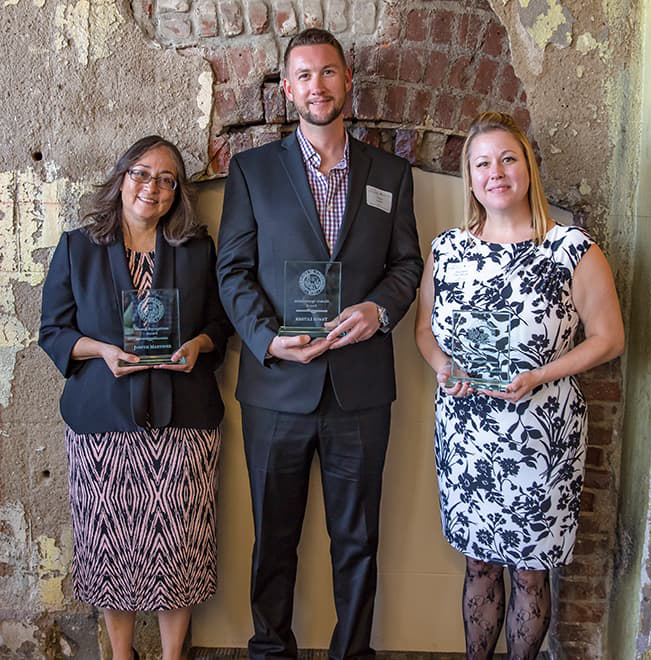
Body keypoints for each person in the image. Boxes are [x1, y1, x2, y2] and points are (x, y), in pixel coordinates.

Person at [216, 28, 423, 660]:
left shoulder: (390, 173)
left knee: (357, 538)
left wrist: (379, 309)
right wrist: (268, 340)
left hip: (359, 387)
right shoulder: (252, 170)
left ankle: (351, 652)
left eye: (328, 72)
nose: (317, 85)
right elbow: (233, 270)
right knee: (273, 536)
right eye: (303, 76)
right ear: (288, 89)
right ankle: (269, 647)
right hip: (277, 385)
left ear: (347, 79)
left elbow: (407, 265)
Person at [415, 111, 624, 659]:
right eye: (482, 162)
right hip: (467, 436)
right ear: (470, 175)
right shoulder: (447, 251)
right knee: (479, 565)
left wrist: (540, 374)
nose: (496, 172)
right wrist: (442, 366)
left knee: (531, 575)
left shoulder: (571, 249)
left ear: (528, 167)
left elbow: (609, 337)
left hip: (542, 435)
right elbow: (423, 331)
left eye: (508, 158)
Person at [39, 135, 232, 660]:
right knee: (110, 548)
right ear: (122, 177)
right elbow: (53, 330)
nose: (153, 187)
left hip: (183, 425)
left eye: (167, 179)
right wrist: (100, 350)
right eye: (142, 174)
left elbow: (219, 322)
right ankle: (119, 654)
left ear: (178, 192)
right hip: (103, 427)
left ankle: (174, 656)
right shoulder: (78, 246)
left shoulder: (196, 249)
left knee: (179, 549)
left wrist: (200, 343)